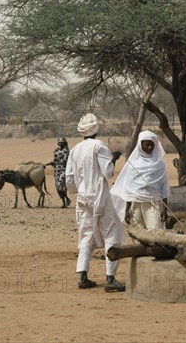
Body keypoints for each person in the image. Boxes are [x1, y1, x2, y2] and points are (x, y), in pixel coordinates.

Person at [65, 113, 126, 292]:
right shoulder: (99, 146)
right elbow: (107, 172)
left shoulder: (75, 150)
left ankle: (83, 276)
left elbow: (69, 180)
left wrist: (79, 188)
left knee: (85, 235)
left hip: (82, 197)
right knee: (113, 233)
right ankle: (110, 279)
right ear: (96, 129)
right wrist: (113, 158)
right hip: (100, 196)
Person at [111, 131, 170, 229]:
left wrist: (165, 209)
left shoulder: (160, 164)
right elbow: (129, 189)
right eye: (147, 145)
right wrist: (127, 210)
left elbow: (164, 186)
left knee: (155, 232)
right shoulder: (133, 164)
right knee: (138, 233)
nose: (150, 147)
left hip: (154, 204)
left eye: (152, 145)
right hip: (136, 204)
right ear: (140, 144)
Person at [46, 137, 71, 208]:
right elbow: (54, 160)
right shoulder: (57, 151)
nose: (59, 144)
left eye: (61, 142)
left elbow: (65, 161)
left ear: (64, 143)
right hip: (57, 171)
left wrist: (55, 162)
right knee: (58, 187)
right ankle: (64, 202)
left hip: (63, 170)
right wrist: (49, 163)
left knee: (60, 184)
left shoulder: (66, 151)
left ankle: (67, 199)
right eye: (59, 142)